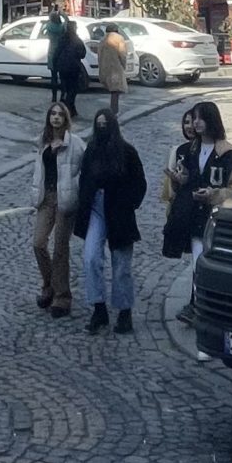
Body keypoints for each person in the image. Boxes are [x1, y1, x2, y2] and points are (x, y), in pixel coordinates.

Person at [73, 108, 147, 334]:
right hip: (96, 207)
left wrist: (129, 204)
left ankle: (124, 312)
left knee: (121, 265)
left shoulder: (127, 152)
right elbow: (84, 179)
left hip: (119, 210)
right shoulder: (92, 150)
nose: (102, 127)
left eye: (106, 124)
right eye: (99, 124)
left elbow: (139, 183)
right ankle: (99, 308)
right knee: (90, 257)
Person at [176, 104, 232, 324]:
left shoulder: (226, 152)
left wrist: (214, 194)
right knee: (197, 263)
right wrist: (182, 181)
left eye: (201, 118)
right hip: (195, 217)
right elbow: (189, 179)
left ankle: (208, 308)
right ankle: (197, 307)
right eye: (194, 118)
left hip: (217, 219)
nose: (196, 123)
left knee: (211, 265)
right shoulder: (191, 150)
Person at [31, 102, 86, 316]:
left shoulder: (76, 144)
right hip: (46, 197)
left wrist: (77, 188)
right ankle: (49, 286)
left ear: (66, 119)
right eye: (52, 114)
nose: (55, 118)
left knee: (60, 248)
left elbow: (86, 168)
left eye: (60, 115)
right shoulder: (42, 141)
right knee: (38, 243)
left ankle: (62, 297)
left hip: (66, 199)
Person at [161, 101, 205, 260]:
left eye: (192, 121)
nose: (189, 126)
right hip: (184, 209)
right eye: (186, 122)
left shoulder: (209, 148)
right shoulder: (180, 150)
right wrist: (175, 180)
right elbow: (173, 192)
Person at [55, 17, 87, 115]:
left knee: (65, 88)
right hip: (74, 68)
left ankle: (67, 108)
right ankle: (69, 108)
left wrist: (55, 65)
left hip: (63, 68)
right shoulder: (77, 40)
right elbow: (83, 54)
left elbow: (56, 52)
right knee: (72, 89)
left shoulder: (62, 39)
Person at [97, 22, 129, 117]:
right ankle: (114, 111)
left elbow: (99, 55)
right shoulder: (119, 39)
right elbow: (122, 54)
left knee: (113, 90)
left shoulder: (102, 40)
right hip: (116, 67)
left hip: (105, 67)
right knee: (115, 91)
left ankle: (113, 110)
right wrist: (124, 65)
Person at [41, 3, 68, 100]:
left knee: (53, 76)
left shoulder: (49, 26)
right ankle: (62, 96)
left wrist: (53, 11)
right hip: (61, 52)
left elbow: (50, 18)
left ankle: (53, 96)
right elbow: (67, 22)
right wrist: (62, 14)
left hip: (52, 52)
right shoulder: (61, 27)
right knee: (62, 77)